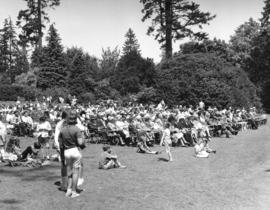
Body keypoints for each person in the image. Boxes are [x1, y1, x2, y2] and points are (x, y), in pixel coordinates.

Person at [59, 110, 85, 198]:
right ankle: (74, 192)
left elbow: (61, 145)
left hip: (66, 151)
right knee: (75, 172)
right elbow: (80, 143)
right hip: (74, 150)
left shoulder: (62, 130)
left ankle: (69, 189)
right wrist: (82, 137)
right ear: (75, 120)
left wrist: (62, 157)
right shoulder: (77, 129)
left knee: (69, 172)